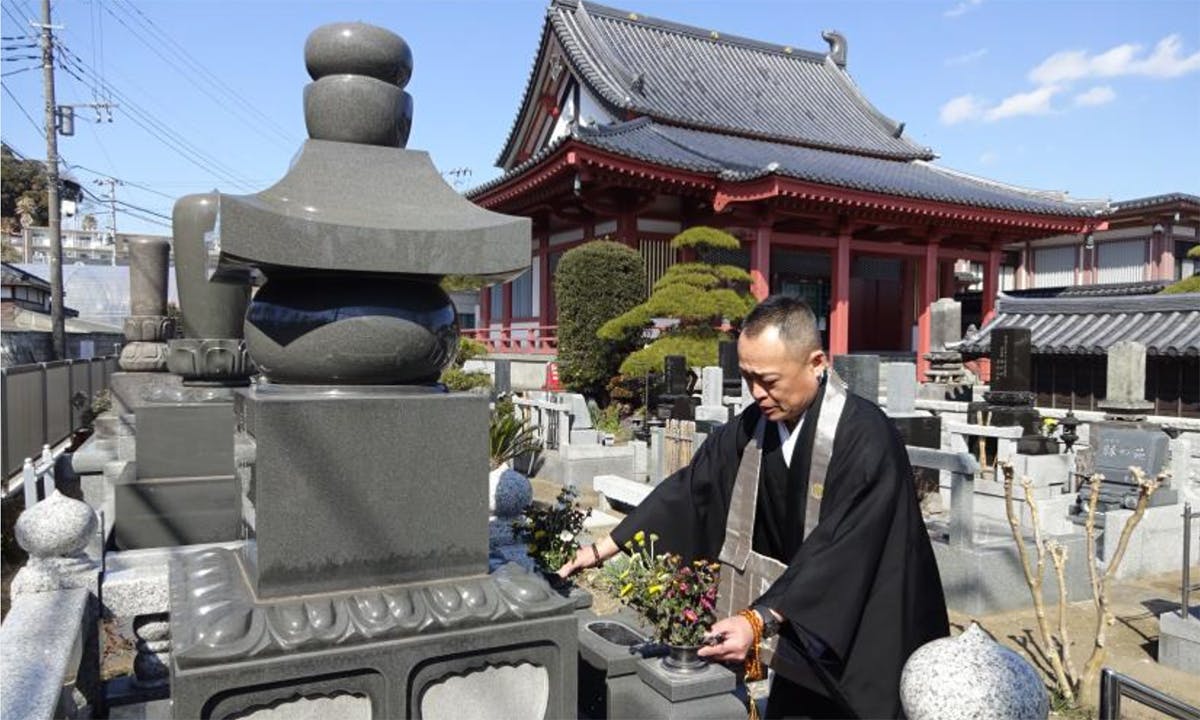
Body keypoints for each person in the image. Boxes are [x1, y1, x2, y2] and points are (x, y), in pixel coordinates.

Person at [558, 295, 948, 719]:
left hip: (869, 626)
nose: (757, 394)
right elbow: (694, 488)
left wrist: (759, 619)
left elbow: (843, 547)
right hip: (804, 621)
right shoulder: (759, 424)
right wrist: (604, 548)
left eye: (769, 380)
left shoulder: (867, 439)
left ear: (817, 362)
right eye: (747, 379)